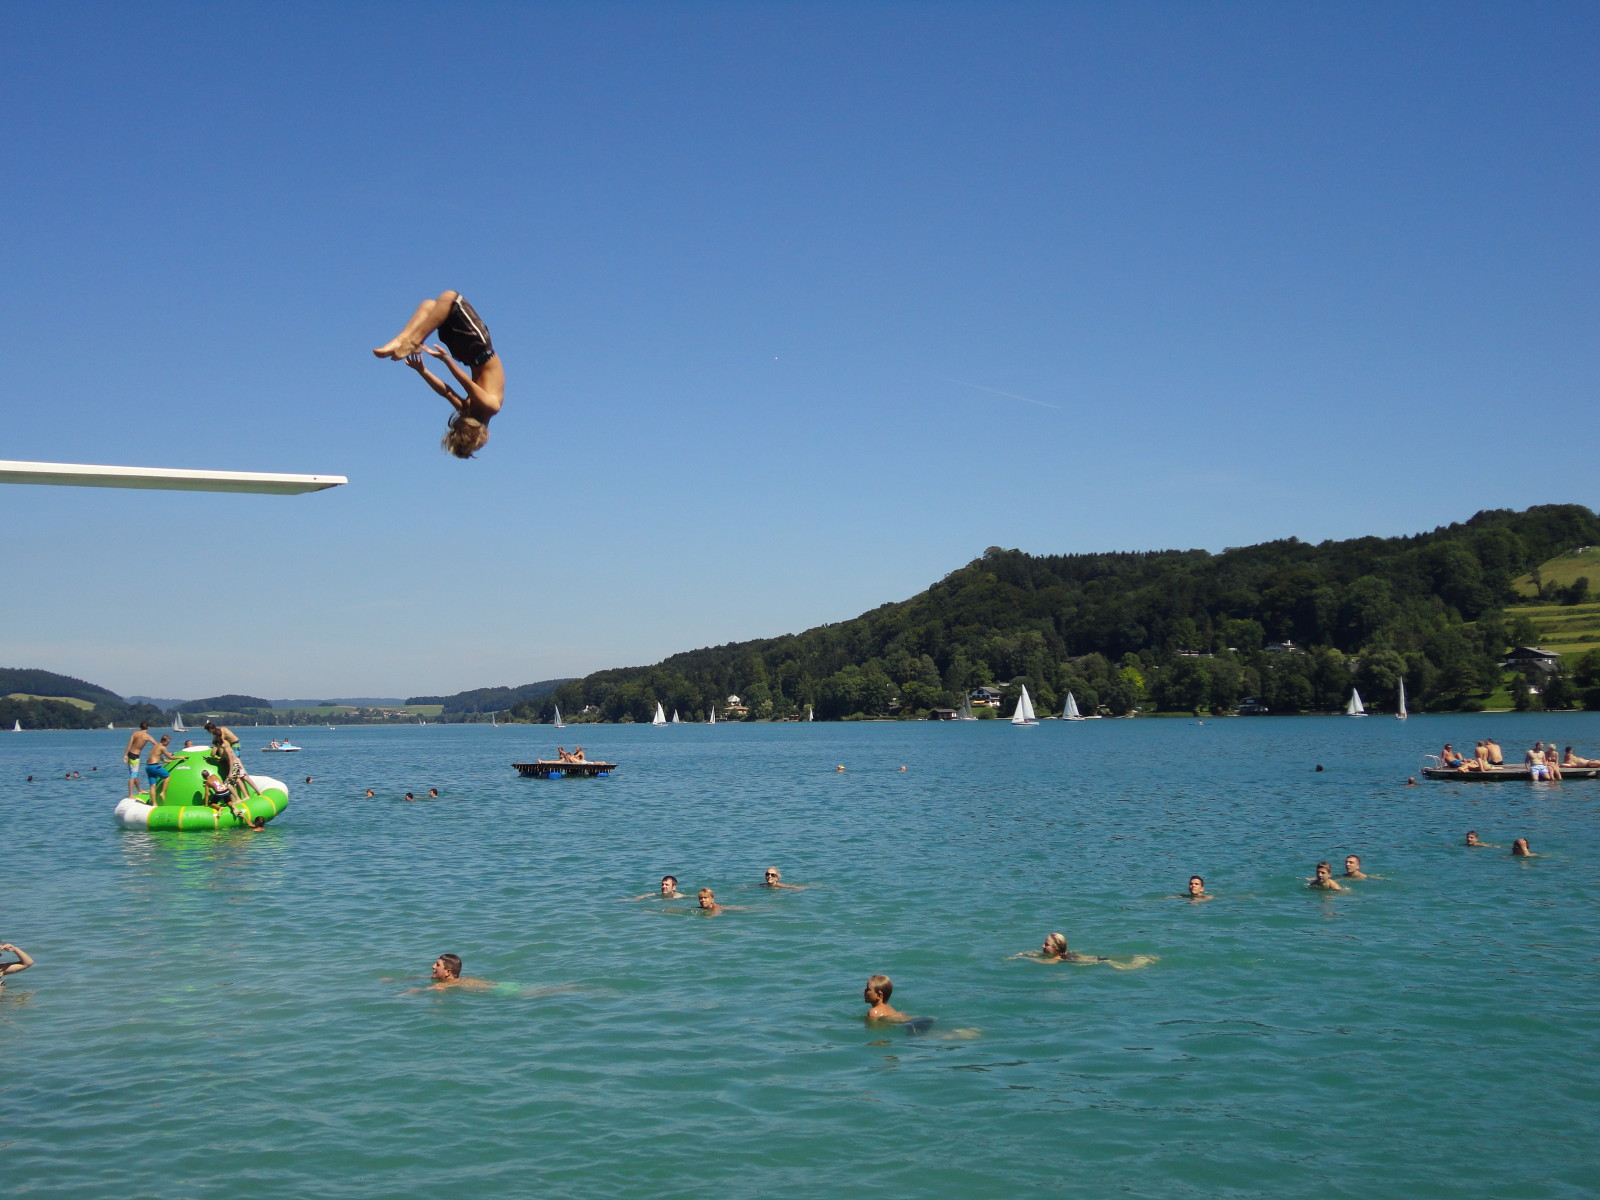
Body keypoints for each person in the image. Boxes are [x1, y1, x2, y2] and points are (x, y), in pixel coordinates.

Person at [374, 290, 504, 459]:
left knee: (449, 298)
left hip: (475, 346)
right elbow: (465, 385)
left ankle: (412, 341)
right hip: (472, 350)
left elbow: (447, 391)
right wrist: (445, 361)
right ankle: (403, 339)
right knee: (431, 306)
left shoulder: (471, 409)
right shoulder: (490, 407)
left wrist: (424, 371)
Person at [424, 953, 494, 991]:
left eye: (438, 965)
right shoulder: (462, 979)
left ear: (447, 972)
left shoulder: (441, 986)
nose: (433, 966)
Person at [123, 721, 156, 797]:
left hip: (130, 754)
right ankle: (131, 794)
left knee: (134, 773)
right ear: (148, 727)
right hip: (135, 756)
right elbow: (157, 745)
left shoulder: (135, 733)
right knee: (133, 775)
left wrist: (125, 755)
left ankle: (139, 790)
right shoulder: (147, 736)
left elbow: (129, 744)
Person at [144, 734, 176, 803]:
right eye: (167, 743)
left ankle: (154, 804)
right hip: (154, 766)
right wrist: (181, 757)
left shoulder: (155, 746)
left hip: (148, 767)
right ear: (164, 741)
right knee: (167, 776)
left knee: (152, 786)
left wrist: (165, 761)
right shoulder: (162, 747)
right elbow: (170, 757)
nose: (167, 744)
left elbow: (156, 755)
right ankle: (163, 792)